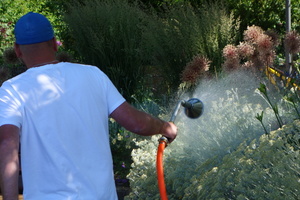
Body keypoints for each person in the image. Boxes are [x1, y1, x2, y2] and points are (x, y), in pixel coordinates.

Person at [0, 12, 177, 200]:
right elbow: (136, 123)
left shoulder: (13, 89)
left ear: (17, 50)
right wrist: (164, 126)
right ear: (54, 43)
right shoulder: (94, 75)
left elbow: (7, 144)